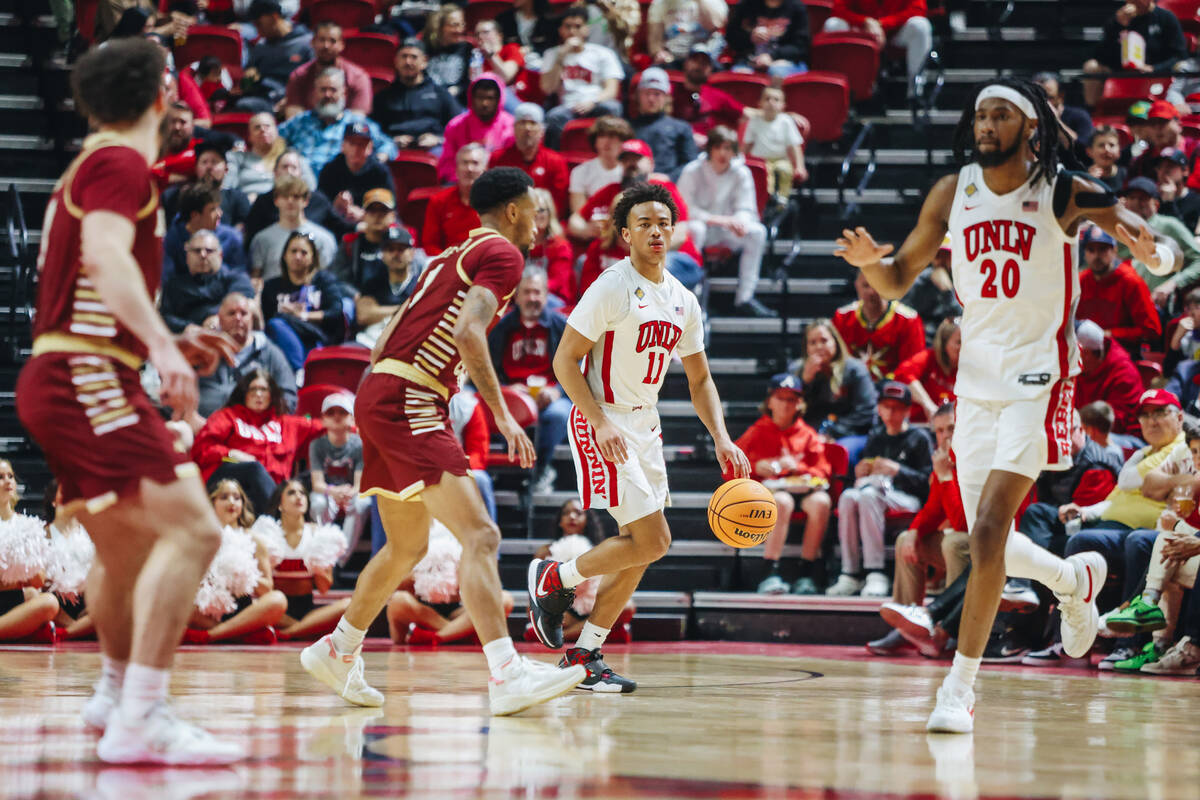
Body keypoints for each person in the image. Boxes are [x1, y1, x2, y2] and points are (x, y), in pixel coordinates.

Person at [833, 77, 1183, 733]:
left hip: (1038, 379)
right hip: (975, 382)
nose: (986, 124)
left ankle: (959, 689)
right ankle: (1072, 582)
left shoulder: (1058, 189)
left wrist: (1151, 245)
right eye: (980, 115)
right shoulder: (952, 190)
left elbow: (1131, 226)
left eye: (1000, 114)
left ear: (1030, 126)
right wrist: (869, 264)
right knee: (984, 538)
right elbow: (899, 273)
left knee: (991, 529)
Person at [13, 38, 244, 763]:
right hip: (85, 378)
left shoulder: (86, 168)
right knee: (197, 534)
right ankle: (142, 714)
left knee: (128, 548)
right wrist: (166, 349)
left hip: (68, 373)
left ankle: (115, 696)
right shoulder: (121, 164)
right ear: (163, 98)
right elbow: (108, 259)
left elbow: (90, 284)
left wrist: (165, 333)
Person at [300, 167, 588, 715]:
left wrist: (382, 400)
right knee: (481, 536)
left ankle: (340, 650)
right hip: (410, 399)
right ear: (512, 211)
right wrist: (503, 415)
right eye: (534, 209)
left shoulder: (444, 258)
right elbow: (467, 332)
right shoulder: (504, 253)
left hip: (381, 390)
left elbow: (387, 334)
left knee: (406, 546)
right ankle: (506, 673)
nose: (539, 220)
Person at [527, 182, 753, 691]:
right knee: (655, 539)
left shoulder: (683, 300)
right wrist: (601, 421)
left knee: (642, 546)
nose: (656, 230)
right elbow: (564, 361)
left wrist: (720, 436)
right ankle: (555, 578)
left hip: (645, 425)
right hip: (600, 416)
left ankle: (585, 657)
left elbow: (700, 379)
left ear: (673, 231)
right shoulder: (611, 285)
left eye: (663, 222)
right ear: (625, 233)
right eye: (644, 223)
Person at [866, 403, 969, 655]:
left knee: (954, 542)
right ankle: (907, 628)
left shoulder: (976, 460)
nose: (945, 436)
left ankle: (951, 630)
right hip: (966, 538)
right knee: (904, 540)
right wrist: (914, 531)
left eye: (951, 429)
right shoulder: (945, 460)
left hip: (987, 546)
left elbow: (963, 523)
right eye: (939, 431)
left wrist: (944, 476)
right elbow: (934, 509)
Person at [828, 382, 932, 597]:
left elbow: (928, 482)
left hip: (908, 497)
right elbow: (865, 474)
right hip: (877, 493)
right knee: (848, 496)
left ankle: (876, 571)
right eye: (886, 406)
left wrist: (898, 470)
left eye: (897, 407)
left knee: (868, 496)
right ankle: (850, 572)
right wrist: (861, 472)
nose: (891, 412)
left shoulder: (919, 438)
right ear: (879, 409)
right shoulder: (876, 436)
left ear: (907, 410)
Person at [736, 374, 832, 596]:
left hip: (803, 491)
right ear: (770, 401)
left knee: (821, 502)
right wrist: (755, 466)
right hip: (771, 493)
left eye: (792, 399)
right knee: (781, 501)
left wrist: (800, 468)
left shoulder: (807, 434)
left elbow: (824, 471)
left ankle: (806, 572)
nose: (786, 404)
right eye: (781, 398)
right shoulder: (757, 431)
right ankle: (769, 570)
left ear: (800, 403)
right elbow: (729, 468)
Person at [193, 368, 325, 514]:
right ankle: (280, 518)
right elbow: (200, 451)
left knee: (304, 480)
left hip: (271, 489)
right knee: (254, 469)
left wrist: (352, 424)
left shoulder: (287, 424)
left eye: (263, 389)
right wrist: (230, 454)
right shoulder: (227, 417)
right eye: (252, 390)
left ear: (272, 395)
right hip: (230, 479)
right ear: (244, 393)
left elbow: (329, 428)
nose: (258, 394)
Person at [488, 265, 572, 494]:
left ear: (546, 295)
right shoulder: (501, 327)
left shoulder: (560, 326)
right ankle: (512, 472)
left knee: (559, 414)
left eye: (537, 292)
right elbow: (487, 369)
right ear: (516, 295)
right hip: (512, 399)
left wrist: (558, 392)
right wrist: (506, 390)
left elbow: (580, 367)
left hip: (549, 398)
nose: (532, 298)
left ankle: (540, 469)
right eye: (527, 292)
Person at [677, 126, 774, 317]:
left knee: (757, 232)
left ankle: (745, 297)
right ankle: (691, 297)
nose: (723, 153)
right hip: (700, 227)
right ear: (710, 148)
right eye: (719, 147)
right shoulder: (692, 170)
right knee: (696, 228)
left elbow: (746, 208)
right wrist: (719, 220)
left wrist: (740, 222)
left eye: (728, 148)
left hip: (727, 230)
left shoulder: (741, 172)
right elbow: (684, 208)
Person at [183, 479, 288, 644]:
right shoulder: (201, 539)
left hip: (243, 610)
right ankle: (240, 634)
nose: (231, 502)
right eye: (224, 497)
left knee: (278, 599)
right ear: (212, 503)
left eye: (237, 497)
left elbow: (267, 588)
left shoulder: (255, 540)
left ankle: (211, 636)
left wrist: (243, 576)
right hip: (208, 611)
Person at [386, 520, 515, 645]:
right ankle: (460, 632)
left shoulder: (472, 538)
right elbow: (390, 589)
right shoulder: (408, 537)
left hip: (459, 610)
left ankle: (438, 637)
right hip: (422, 612)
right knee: (398, 601)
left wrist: (460, 577)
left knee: (504, 599)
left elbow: (488, 587)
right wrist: (416, 577)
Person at [524, 499, 636, 643]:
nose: (571, 517)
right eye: (566, 513)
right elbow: (535, 593)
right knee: (533, 608)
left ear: (587, 520)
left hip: (594, 607)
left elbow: (610, 586)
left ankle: (563, 636)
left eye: (578, 513)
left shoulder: (602, 550)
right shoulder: (544, 552)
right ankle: (598, 634)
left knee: (626, 607)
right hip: (563, 610)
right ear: (560, 521)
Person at [253, 480, 351, 639]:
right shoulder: (267, 533)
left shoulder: (319, 534)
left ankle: (288, 633)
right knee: (263, 605)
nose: (299, 497)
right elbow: (261, 590)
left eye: (302, 493)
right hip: (277, 610)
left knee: (348, 605)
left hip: (307, 610)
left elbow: (324, 588)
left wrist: (318, 567)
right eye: (291, 493)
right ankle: (304, 630)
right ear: (280, 504)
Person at [278, 68, 396, 176]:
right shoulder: (300, 121)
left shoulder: (356, 123)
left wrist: (378, 159)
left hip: (339, 184)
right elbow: (272, 138)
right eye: (323, 90)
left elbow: (388, 145)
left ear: (343, 93)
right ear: (315, 93)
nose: (327, 95)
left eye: (333, 90)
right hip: (299, 188)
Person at [197, 293, 297, 419]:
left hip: (258, 430)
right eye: (231, 313)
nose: (238, 318)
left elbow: (288, 395)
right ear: (220, 319)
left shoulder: (270, 352)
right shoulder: (204, 351)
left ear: (251, 319)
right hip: (207, 426)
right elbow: (190, 393)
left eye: (243, 313)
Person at [790, 318, 879, 457]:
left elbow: (866, 411)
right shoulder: (797, 370)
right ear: (806, 348)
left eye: (824, 341)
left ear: (835, 342)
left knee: (837, 451)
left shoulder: (855, 369)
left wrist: (832, 433)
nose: (819, 346)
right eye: (813, 343)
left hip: (850, 432)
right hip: (808, 432)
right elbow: (788, 410)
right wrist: (804, 382)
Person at [539, 7, 625, 149]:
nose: (572, 31)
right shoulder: (552, 54)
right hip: (569, 107)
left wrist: (592, 102)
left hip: (597, 103)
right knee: (553, 117)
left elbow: (611, 91)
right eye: (568, 27)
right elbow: (548, 88)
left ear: (587, 29)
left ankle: (612, 153)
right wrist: (561, 57)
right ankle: (559, 160)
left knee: (613, 107)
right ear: (561, 30)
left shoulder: (603, 53)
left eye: (578, 26)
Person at [261, 231, 346, 369]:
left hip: (316, 339)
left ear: (313, 257)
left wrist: (303, 316)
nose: (298, 256)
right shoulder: (271, 286)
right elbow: (266, 321)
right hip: (283, 342)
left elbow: (336, 311)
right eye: (293, 251)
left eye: (304, 252)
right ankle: (299, 374)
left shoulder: (324, 281)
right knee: (276, 325)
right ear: (284, 255)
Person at [1116, 177, 1200, 312]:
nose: (1136, 203)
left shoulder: (1168, 225)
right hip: (1125, 304)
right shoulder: (1119, 229)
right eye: (1132, 197)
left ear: (1155, 204)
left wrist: (1173, 284)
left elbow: (1198, 260)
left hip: (1159, 304)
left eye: (1143, 198)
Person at [1082, 0, 1187, 108]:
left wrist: (1154, 68)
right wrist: (1118, 25)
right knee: (1092, 66)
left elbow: (1179, 56)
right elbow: (1100, 55)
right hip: (1121, 71)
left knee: (1182, 66)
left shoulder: (1166, 18)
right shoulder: (1119, 19)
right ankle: (1093, 111)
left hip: (1153, 73)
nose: (1133, 2)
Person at [1076, 223, 1161, 356]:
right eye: (1091, 250)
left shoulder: (1131, 281)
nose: (1096, 256)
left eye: (1103, 249)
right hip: (1085, 356)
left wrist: (1108, 335)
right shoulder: (1080, 281)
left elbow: (1151, 330)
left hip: (1123, 354)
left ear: (1114, 250)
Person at [0, 460, 60, 643]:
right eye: (0, 477)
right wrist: (17, 579)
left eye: (10, 476)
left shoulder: (28, 525)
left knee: (48, 602)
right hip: (14, 595)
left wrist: (7, 583)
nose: (8, 481)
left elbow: (38, 579)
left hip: (18, 600)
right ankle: (21, 631)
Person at [308, 393, 372, 559]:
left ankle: (340, 558)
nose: (336, 416)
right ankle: (323, 554)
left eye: (342, 412)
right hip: (328, 492)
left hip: (351, 492)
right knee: (317, 503)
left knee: (362, 503)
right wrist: (333, 491)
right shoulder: (316, 445)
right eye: (331, 413)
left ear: (351, 418)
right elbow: (317, 484)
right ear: (323, 419)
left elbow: (360, 484)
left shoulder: (359, 444)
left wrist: (350, 492)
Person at [824, 0, 932, 98]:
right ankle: (838, 92)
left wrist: (883, 23)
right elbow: (837, 9)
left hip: (895, 33)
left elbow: (918, 9)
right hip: (861, 32)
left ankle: (915, 93)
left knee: (921, 25)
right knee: (833, 24)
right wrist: (865, 22)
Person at [371, 38, 462, 151]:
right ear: (396, 61)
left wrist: (439, 139)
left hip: (433, 149)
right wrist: (390, 140)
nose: (408, 62)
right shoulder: (383, 97)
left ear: (424, 61)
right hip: (393, 149)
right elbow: (372, 131)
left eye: (414, 57)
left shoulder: (440, 94)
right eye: (404, 56)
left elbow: (460, 129)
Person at [834, 271, 925, 382]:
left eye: (877, 285)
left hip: (895, 388)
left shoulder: (908, 320)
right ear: (856, 285)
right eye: (866, 285)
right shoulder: (842, 317)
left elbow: (913, 365)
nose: (872, 292)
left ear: (887, 287)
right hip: (852, 387)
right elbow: (837, 360)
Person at [160, 230, 255, 335]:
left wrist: (218, 318)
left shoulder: (237, 279)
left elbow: (243, 305)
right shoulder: (174, 285)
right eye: (197, 251)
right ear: (187, 257)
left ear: (220, 255)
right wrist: (187, 327)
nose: (203, 255)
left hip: (229, 335)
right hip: (188, 339)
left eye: (209, 250)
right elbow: (165, 317)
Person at [248, 175, 339, 281]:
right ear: (276, 200)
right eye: (285, 196)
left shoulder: (324, 239)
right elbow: (255, 277)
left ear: (306, 201)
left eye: (296, 196)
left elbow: (328, 278)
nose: (290, 201)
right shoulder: (262, 239)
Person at [243, 150, 342, 245]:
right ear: (275, 172)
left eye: (294, 167)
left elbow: (340, 227)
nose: (289, 172)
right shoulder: (263, 202)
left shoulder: (318, 201)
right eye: (285, 167)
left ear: (300, 173)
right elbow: (251, 238)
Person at [490, 103, 569, 218]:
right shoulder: (498, 159)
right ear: (514, 128)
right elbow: (493, 196)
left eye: (533, 123)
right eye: (522, 123)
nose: (527, 128)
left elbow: (559, 203)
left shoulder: (555, 161)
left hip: (544, 222)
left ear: (542, 131)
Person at [42, 479, 96, 641]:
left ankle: (67, 632)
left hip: (87, 599)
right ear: (53, 500)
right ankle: (83, 628)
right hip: (58, 601)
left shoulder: (91, 532)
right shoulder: (42, 533)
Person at [284, 21, 372, 119]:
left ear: (341, 45)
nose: (326, 46)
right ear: (312, 42)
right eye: (321, 40)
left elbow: (357, 119)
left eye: (332, 41)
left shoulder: (357, 77)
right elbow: (294, 118)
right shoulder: (298, 76)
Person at [438, 73, 514, 184]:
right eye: (480, 98)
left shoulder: (511, 126)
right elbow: (447, 163)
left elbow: (513, 163)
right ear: (471, 98)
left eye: (490, 98)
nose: (485, 103)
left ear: (499, 100)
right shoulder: (456, 125)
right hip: (462, 183)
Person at [317, 124, 397, 228]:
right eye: (352, 143)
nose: (356, 149)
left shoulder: (380, 172)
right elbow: (319, 208)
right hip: (336, 225)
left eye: (361, 144)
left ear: (370, 147)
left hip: (371, 226)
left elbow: (392, 210)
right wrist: (334, 208)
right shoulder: (330, 170)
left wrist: (365, 215)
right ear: (343, 146)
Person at [162, 182, 246, 280]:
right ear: (195, 215)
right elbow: (166, 276)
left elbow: (240, 275)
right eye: (212, 210)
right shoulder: (173, 238)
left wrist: (216, 265)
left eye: (219, 207)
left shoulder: (232, 238)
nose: (220, 214)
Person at [355, 227, 423, 348]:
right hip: (370, 341)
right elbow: (364, 315)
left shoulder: (421, 284)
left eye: (401, 249)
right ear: (382, 255)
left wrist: (378, 311)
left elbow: (421, 318)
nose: (396, 254)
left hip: (408, 343)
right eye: (390, 249)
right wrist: (404, 309)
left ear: (412, 253)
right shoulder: (372, 283)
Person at [1075, 320, 1144, 437]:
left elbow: (1113, 423)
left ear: (1085, 353)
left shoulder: (1123, 372)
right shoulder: (1078, 366)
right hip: (1086, 428)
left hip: (1124, 437)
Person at [632, 68, 698, 183]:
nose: (651, 99)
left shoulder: (682, 128)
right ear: (639, 95)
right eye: (647, 93)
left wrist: (670, 178)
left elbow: (691, 163)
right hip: (634, 187)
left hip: (670, 189)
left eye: (657, 94)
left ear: (666, 97)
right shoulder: (628, 128)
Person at [744, 86, 807, 202]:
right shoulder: (754, 121)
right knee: (764, 175)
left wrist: (800, 166)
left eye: (776, 99)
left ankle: (782, 199)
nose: (771, 102)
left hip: (780, 159)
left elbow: (795, 146)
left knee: (785, 170)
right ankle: (766, 199)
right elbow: (747, 144)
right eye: (767, 99)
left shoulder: (786, 121)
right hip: (760, 161)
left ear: (783, 105)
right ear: (760, 103)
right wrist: (741, 160)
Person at [672, 47, 745, 146]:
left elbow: (744, 114)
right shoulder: (671, 92)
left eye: (704, 63)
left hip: (708, 151)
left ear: (710, 69)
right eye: (695, 61)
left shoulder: (717, 96)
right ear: (686, 63)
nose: (699, 66)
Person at [225, 113, 307, 201]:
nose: (263, 130)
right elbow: (226, 188)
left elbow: (310, 187)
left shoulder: (292, 157)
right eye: (257, 127)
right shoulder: (237, 158)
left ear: (276, 131)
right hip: (247, 206)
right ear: (249, 136)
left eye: (267, 126)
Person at [423, 143, 486, 255]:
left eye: (475, 163)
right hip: (449, 263)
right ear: (456, 169)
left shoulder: (497, 202)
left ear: (485, 170)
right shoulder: (439, 201)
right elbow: (430, 244)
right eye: (465, 163)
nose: (469, 169)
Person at [332, 189, 398, 293]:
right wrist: (355, 296)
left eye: (383, 211)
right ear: (364, 215)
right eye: (372, 211)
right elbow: (337, 277)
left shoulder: (402, 243)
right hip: (358, 299)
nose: (377, 216)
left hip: (395, 296)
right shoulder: (349, 243)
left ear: (393, 216)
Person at [894, 316, 959, 423]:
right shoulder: (928, 358)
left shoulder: (971, 366)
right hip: (924, 426)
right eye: (959, 342)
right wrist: (928, 405)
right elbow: (903, 374)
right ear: (944, 343)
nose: (965, 346)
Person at [245, 0, 313, 97]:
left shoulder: (307, 42)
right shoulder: (261, 46)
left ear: (274, 17)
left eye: (259, 24)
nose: (258, 31)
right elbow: (247, 82)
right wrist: (248, 80)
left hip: (295, 98)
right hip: (263, 98)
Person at [901, 237, 961, 345]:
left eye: (946, 255)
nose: (940, 261)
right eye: (937, 255)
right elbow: (903, 313)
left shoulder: (962, 280)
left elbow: (959, 317)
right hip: (923, 341)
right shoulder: (920, 281)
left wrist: (946, 291)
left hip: (951, 341)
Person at [727, 0, 811, 78]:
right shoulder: (745, 5)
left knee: (776, 72)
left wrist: (772, 56)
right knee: (740, 77)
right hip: (749, 61)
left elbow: (801, 47)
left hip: (785, 61)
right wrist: (750, 37)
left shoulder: (796, 7)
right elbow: (731, 38)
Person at [568, 116, 633, 214]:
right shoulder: (580, 171)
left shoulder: (631, 171)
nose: (606, 142)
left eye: (612, 136)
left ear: (623, 142)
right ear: (595, 141)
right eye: (602, 136)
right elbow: (579, 213)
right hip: (594, 223)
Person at [525, 188, 575, 307]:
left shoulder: (560, 246)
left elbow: (558, 282)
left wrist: (528, 290)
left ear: (550, 213)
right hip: (523, 297)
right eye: (532, 210)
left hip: (553, 300)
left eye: (541, 210)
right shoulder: (518, 244)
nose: (537, 214)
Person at [647, 0, 726, 67]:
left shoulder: (713, 2)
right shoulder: (660, 3)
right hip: (672, 59)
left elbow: (715, 26)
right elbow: (655, 40)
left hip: (703, 58)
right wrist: (660, 53)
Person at [423, 4, 474, 101]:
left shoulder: (467, 48)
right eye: (454, 25)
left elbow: (469, 82)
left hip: (457, 101)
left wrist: (457, 89)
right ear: (440, 26)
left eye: (462, 24)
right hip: (429, 99)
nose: (460, 30)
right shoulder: (426, 47)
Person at [1086, 127, 1126, 194]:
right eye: (1101, 145)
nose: (1107, 149)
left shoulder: (1126, 176)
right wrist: (1087, 182)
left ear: (1119, 151)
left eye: (1111, 145)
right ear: (1089, 151)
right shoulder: (1081, 177)